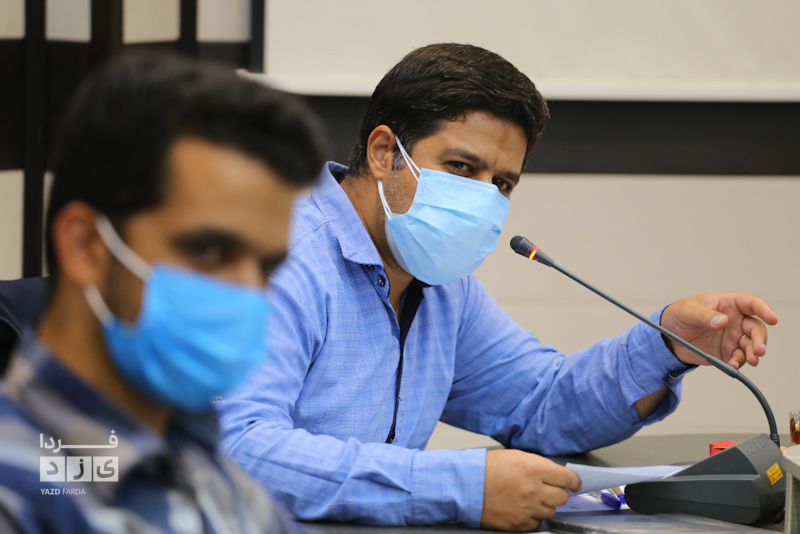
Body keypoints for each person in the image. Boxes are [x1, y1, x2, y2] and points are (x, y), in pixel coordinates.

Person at [216, 43, 777, 531]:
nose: (483, 198)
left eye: (503, 183)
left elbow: (541, 405)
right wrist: (460, 486)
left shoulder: (441, 286)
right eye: (463, 168)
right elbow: (235, 449)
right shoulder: (272, 257)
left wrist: (665, 346)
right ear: (384, 153)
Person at [0, 54, 327, 533]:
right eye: (209, 250)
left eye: (267, 266)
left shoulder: (228, 487)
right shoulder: (17, 493)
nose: (249, 294)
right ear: (85, 246)